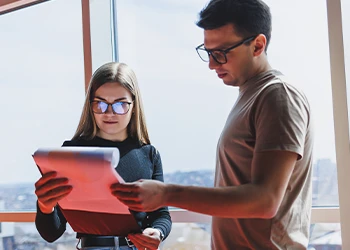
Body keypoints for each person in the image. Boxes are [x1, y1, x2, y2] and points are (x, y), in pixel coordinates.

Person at [111, 0, 313, 249]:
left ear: (258, 45)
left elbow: (266, 200)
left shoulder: (278, 95)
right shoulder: (252, 95)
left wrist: (167, 194)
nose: (212, 64)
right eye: (208, 52)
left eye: (221, 53)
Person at [34, 62, 172, 250]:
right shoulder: (72, 153)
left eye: (120, 104)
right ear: (90, 105)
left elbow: (161, 215)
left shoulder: (149, 154)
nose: (109, 113)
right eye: (100, 103)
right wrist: (44, 206)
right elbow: (51, 233)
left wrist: (158, 232)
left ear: (134, 105)